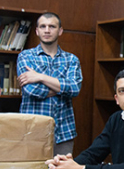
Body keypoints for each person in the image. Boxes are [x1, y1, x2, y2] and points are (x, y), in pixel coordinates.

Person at [17, 12, 82, 156]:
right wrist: (61, 87)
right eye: (43, 26)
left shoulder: (71, 59)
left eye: (52, 26)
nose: (47, 30)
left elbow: (74, 88)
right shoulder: (26, 56)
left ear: (60, 31)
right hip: (32, 132)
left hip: (64, 132)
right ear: (37, 31)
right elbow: (32, 89)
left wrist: (39, 76)